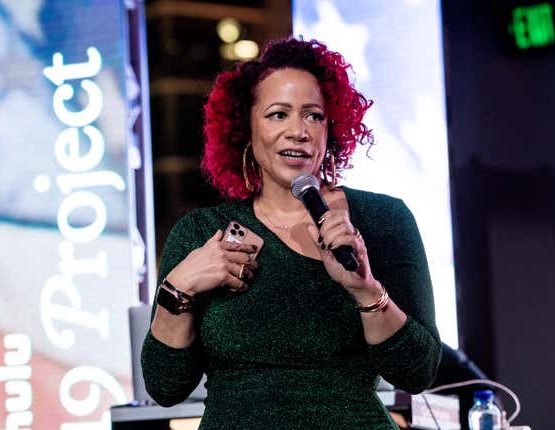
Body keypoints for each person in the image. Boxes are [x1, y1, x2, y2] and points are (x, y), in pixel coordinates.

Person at [141, 37, 441, 430]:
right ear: (245, 128)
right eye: (278, 115)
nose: (298, 131)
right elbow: (165, 387)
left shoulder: (382, 219)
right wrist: (178, 287)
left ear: (331, 129)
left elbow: (418, 372)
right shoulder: (201, 234)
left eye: (314, 115)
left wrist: (366, 289)